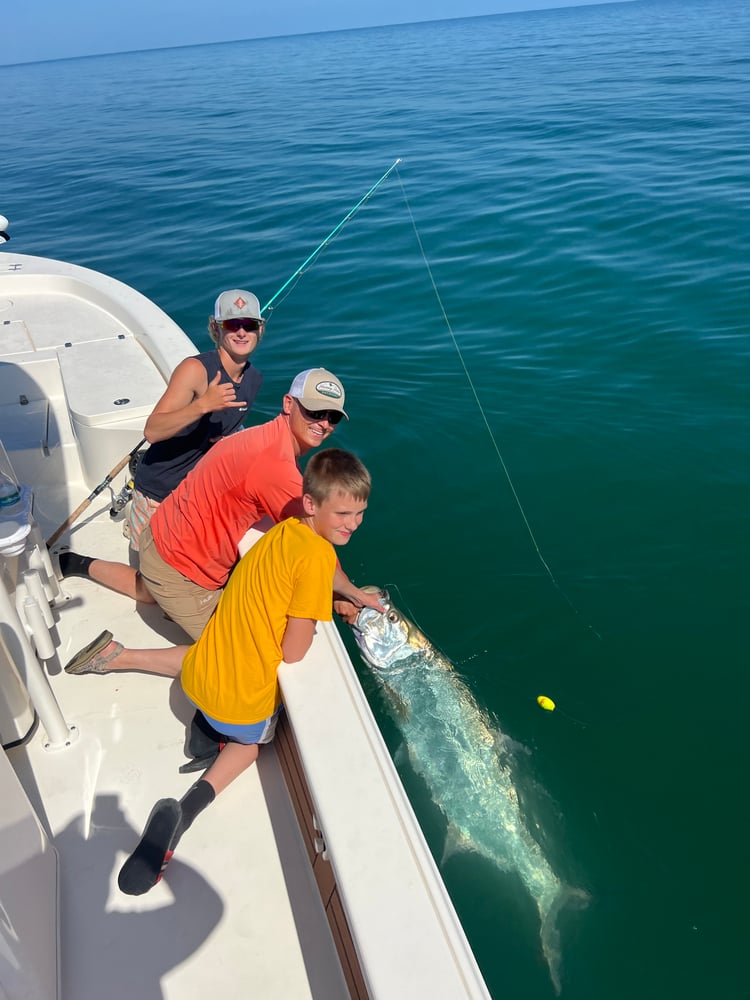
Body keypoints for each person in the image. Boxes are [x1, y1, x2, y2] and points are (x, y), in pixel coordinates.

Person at [65, 448, 372, 896]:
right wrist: (319, 611)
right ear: (312, 504)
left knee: (209, 654)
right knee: (248, 748)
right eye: (344, 513)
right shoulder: (319, 559)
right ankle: (184, 812)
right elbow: (295, 651)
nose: (353, 523)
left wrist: (336, 594)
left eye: (360, 513)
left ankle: (194, 721)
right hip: (236, 702)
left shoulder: (284, 531)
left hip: (199, 676)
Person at [59, 368, 381, 639]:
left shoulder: (261, 436)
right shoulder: (276, 466)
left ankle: (76, 563)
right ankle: (122, 658)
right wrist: (344, 594)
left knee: (147, 590)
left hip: (158, 537)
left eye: (332, 417)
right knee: (235, 649)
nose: (323, 423)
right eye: (314, 411)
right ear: (288, 404)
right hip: (182, 571)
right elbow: (315, 543)